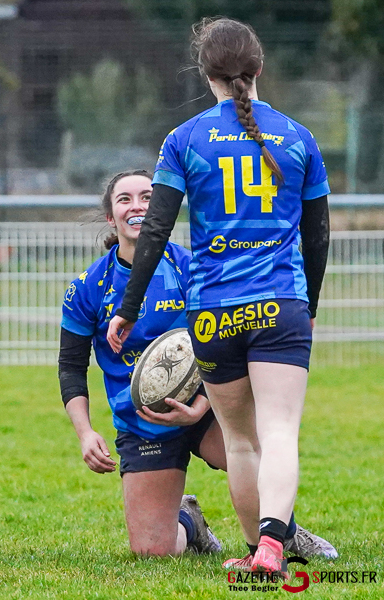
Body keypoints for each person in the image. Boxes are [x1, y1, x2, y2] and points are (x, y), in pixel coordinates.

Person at [106, 18, 333, 575]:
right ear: (259, 70)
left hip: (213, 312)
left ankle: (258, 551)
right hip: (281, 303)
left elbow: (155, 230)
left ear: (205, 73)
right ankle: (275, 547)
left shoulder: (184, 140)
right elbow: (318, 235)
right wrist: (308, 306)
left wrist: (127, 308)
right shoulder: (298, 137)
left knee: (239, 441)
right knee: (278, 431)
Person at [61, 171, 336, 560]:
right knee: (152, 551)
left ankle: (283, 534)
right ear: (111, 216)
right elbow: (70, 366)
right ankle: (190, 522)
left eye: (147, 197)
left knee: (255, 454)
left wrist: (203, 405)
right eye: (124, 199)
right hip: (144, 424)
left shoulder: (194, 269)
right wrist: (86, 433)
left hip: (209, 403)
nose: (137, 206)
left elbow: (225, 347)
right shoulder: (88, 287)